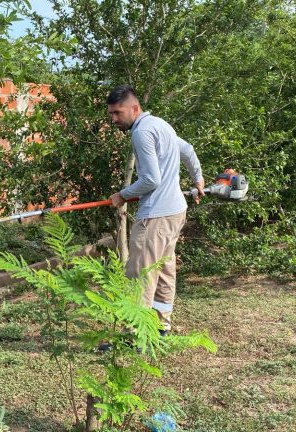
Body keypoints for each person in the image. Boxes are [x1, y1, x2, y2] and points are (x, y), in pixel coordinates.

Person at [106, 84, 204, 335]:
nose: (114, 119)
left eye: (118, 113)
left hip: (156, 215)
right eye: (111, 114)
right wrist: (198, 179)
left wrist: (122, 196)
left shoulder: (141, 132)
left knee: (139, 275)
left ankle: (134, 335)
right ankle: (161, 327)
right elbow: (188, 150)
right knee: (163, 272)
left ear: (135, 108)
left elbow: (151, 180)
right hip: (175, 212)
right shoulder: (161, 125)